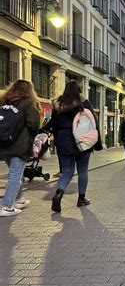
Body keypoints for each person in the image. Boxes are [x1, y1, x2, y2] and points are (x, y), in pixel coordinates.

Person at [43, 80, 101, 213]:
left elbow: (53, 123)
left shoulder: (59, 105)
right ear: (79, 90)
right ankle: (81, 199)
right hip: (82, 140)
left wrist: (43, 131)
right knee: (82, 170)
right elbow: (93, 123)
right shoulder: (84, 103)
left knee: (67, 171)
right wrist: (97, 143)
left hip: (63, 142)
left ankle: (58, 193)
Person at [0, 80, 41, 217]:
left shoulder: (4, 101)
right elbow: (33, 124)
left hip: (4, 145)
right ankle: (6, 206)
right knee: (15, 177)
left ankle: (19, 199)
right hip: (20, 146)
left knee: (16, 174)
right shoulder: (28, 103)